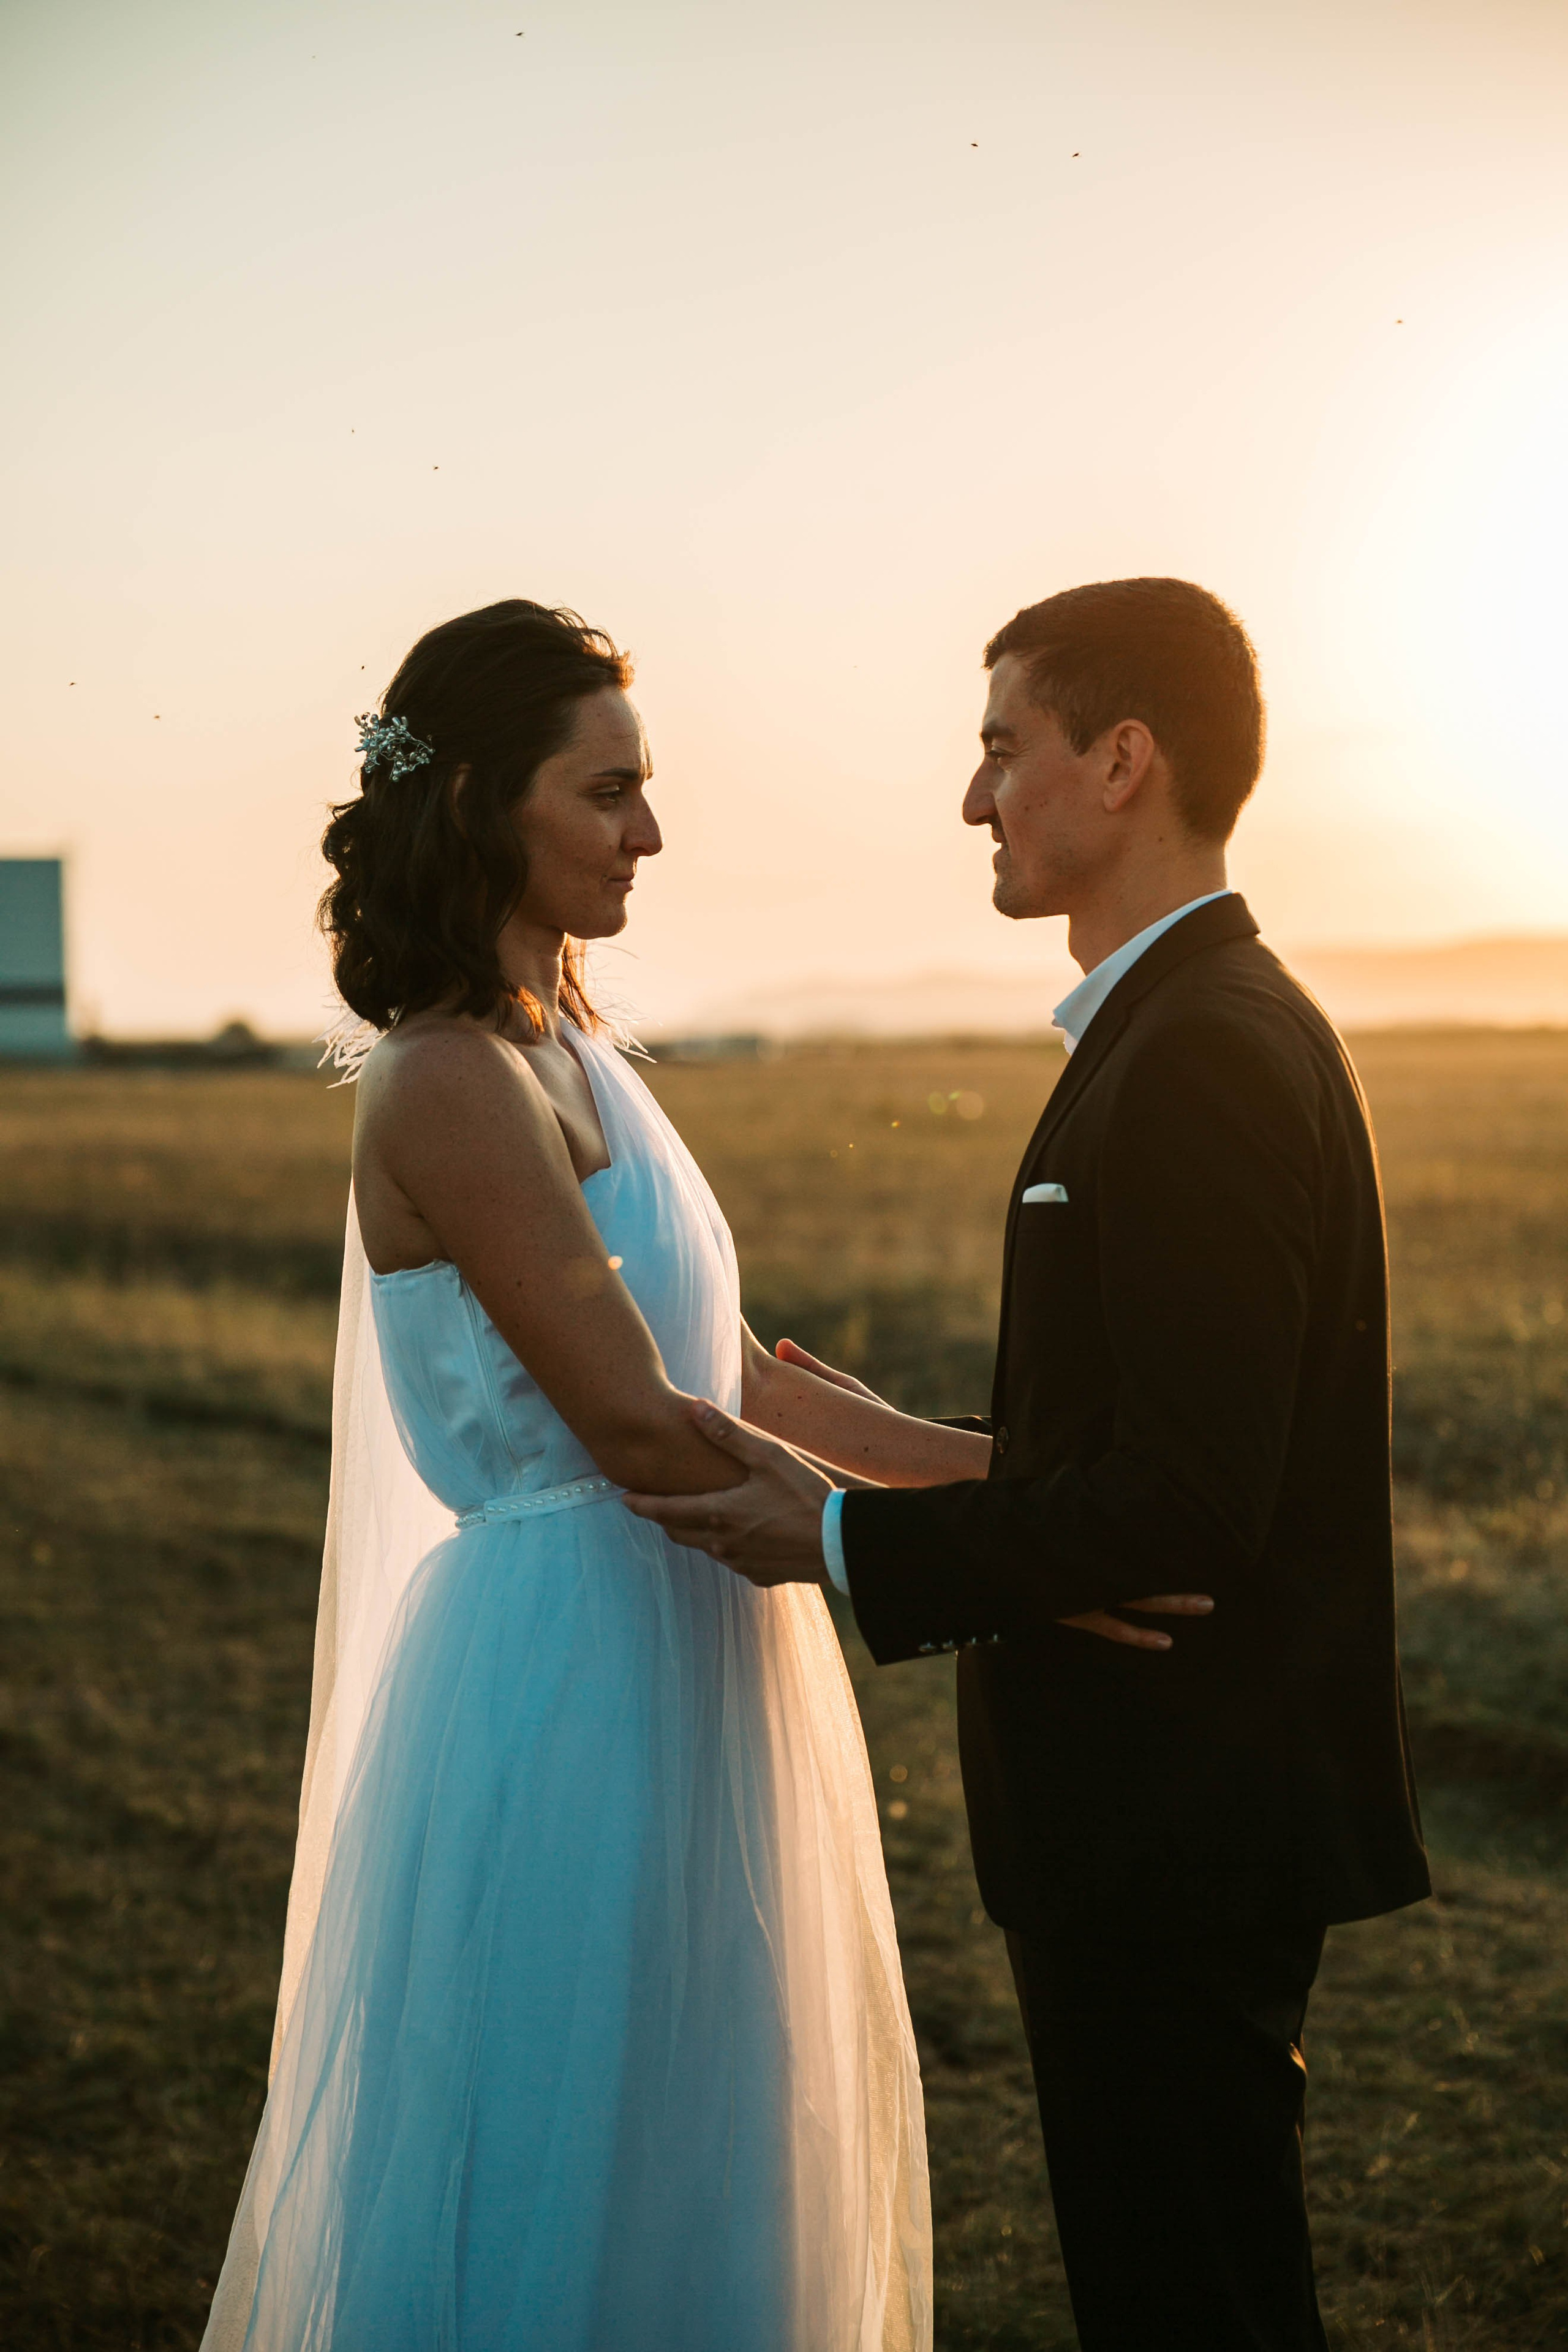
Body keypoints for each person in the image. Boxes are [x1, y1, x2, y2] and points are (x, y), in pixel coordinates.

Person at [200, 597, 1205, 2352]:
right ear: (480, 809)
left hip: (701, 1647)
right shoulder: (444, 1082)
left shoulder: (576, 1049)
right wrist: (998, 1553)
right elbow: (646, 1433)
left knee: (715, 2128)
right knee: (580, 2153)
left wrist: (1025, 1501)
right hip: (568, 1677)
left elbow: (738, 1379)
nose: (650, 833)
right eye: (608, 794)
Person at [627, 578, 1432, 2352]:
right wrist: (849, 1433)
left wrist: (829, 1538)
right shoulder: (1181, 1028)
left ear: (1123, 760)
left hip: (1175, 1817)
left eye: (1004, 746)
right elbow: (1125, 1453)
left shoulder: (1207, 1051)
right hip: (1160, 1815)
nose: (975, 797)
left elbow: (1187, 1503)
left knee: (1192, 2299)